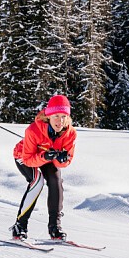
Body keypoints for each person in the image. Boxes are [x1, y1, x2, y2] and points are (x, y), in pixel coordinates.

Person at [10, 95, 76, 241]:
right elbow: (27, 159)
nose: (60, 121)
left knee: (56, 180)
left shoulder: (70, 133)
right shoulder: (33, 130)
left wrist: (61, 160)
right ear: (48, 116)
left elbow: (67, 160)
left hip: (47, 158)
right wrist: (44, 157)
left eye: (64, 116)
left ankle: (55, 227)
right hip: (24, 156)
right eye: (56, 116)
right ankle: (20, 226)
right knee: (37, 181)